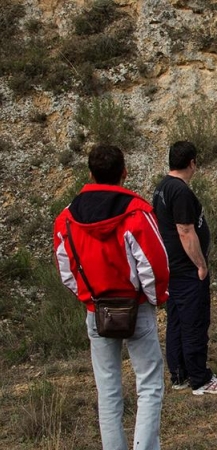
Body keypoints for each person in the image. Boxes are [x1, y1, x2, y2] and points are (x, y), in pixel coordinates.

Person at [53, 144, 170, 449]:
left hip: (96, 309)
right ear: (124, 173)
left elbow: (66, 269)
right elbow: (154, 263)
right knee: (149, 384)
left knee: (107, 390)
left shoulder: (66, 219)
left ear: (90, 174)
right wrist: (156, 298)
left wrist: (88, 298)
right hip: (137, 307)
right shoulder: (137, 213)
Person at [152, 141, 217, 395]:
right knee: (194, 323)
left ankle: (179, 375)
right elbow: (186, 231)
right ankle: (200, 379)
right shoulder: (180, 192)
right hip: (186, 268)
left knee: (177, 320)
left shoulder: (162, 188)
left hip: (172, 267)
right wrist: (200, 264)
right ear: (192, 163)